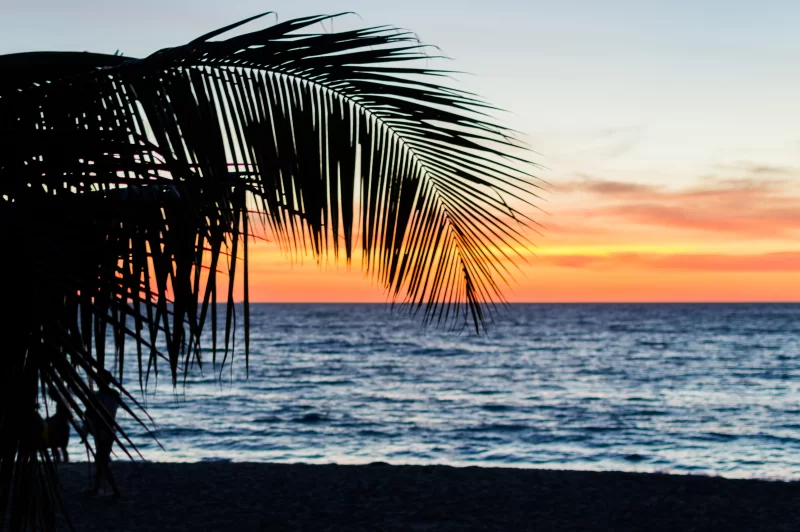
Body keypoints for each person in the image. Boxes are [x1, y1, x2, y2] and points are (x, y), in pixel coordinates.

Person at [80, 369, 121, 497]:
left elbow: (90, 414)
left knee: (101, 461)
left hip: (104, 430)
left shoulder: (104, 396)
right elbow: (91, 414)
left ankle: (114, 490)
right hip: (104, 430)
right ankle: (98, 488)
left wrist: (86, 430)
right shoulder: (111, 395)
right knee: (100, 460)